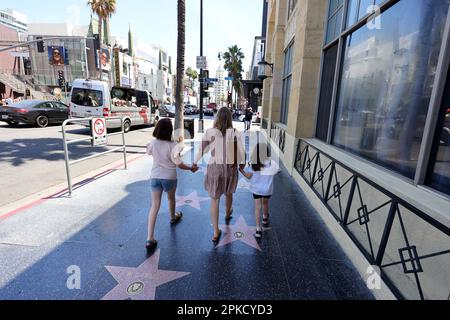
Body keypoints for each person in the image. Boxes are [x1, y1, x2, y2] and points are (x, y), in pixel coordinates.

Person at [193, 107, 246, 243]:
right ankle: (228, 213)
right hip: (230, 168)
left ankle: (216, 231)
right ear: (229, 118)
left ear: (217, 118)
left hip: (214, 168)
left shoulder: (210, 132)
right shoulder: (235, 133)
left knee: (214, 200)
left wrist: (194, 162)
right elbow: (241, 152)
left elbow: (202, 150)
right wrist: (242, 164)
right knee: (229, 193)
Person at [146, 118, 198, 252]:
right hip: (169, 177)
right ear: (170, 130)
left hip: (155, 176)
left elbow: (149, 152)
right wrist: (191, 168)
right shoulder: (173, 145)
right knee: (171, 198)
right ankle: (173, 216)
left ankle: (150, 238)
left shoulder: (153, 143)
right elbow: (178, 163)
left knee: (154, 206)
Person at [240, 142, 279, 238]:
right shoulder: (272, 163)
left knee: (257, 207)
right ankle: (265, 218)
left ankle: (258, 229)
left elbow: (248, 176)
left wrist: (242, 171)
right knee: (265, 203)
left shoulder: (253, 164)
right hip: (267, 189)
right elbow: (277, 171)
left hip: (256, 190)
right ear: (267, 153)